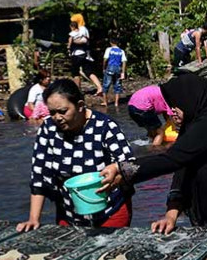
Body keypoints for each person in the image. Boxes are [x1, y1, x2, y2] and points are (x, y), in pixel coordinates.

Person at [98, 73, 207, 233]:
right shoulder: (190, 130)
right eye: (171, 105)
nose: (172, 111)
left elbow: (169, 160)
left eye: (177, 105)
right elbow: (180, 177)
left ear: (190, 100)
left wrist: (122, 169)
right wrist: (170, 216)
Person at [17, 79, 134, 230]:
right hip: (68, 214)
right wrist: (33, 218)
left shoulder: (104, 126)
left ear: (79, 106)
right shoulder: (48, 129)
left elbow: (131, 165)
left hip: (110, 212)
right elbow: (39, 175)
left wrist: (117, 176)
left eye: (63, 111)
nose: (57, 117)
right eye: (52, 112)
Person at [68, 13, 104, 96]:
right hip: (83, 54)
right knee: (88, 71)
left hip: (78, 54)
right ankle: (99, 87)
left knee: (76, 73)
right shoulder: (82, 29)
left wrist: (73, 43)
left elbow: (84, 40)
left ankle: (77, 91)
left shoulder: (82, 29)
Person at [101, 37, 127, 108]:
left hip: (110, 67)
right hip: (118, 69)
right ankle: (116, 103)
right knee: (117, 86)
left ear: (111, 43)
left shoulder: (109, 49)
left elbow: (105, 59)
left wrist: (103, 68)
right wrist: (123, 72)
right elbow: (124, 62)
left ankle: (105, 102)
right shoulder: (121, 51)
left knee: (106, 85)